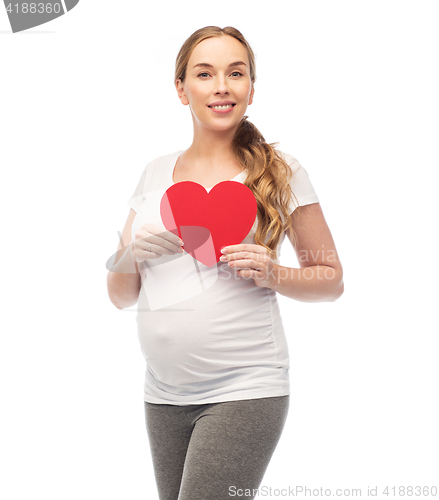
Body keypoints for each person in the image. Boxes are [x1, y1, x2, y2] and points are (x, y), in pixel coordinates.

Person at [107, 26, 343, 500]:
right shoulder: (154, 172)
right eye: (204, 73)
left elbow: (331, 278)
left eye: (236, 73)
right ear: (181, 89)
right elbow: (119, 297)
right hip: (163, 394)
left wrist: (273, 273)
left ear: (251, 89)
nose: (221, 86)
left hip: (246, 388)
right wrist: (131, 256)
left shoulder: (282, 170)